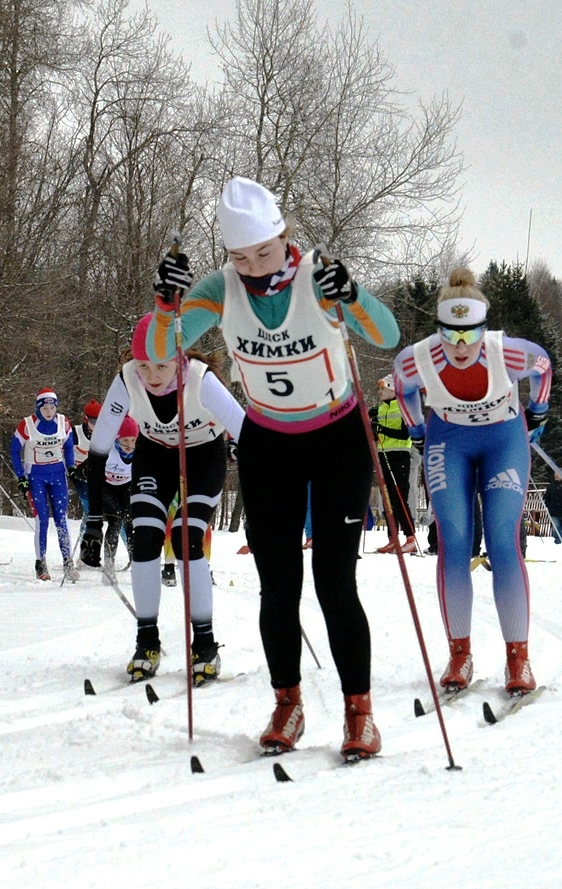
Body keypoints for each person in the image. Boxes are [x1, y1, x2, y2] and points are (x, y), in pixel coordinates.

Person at [143, 176, 399, 760]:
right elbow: (163, 349)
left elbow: (387, 333)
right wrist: (165, 306)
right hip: (268, 445)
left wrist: (353, 294)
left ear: (284, 236)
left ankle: (360, 713)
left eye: (264, 251)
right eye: (240, 256)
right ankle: (288, 703)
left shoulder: (318, 275)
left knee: (336, 583)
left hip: (338, 440)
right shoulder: (220, 287)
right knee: (278, 587)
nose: (255, 267)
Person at [392, 267, 552, 697]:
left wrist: (539, 410)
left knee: (502, 540)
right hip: (450, 442)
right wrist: (417, 431)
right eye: (451, 335)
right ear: (438, 329)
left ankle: (518, 658)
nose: (461, 346)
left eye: (470, 334)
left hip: (503, 440)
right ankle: (459, 653)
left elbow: (543, 364)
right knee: (454, 542)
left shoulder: (507, 352)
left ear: (484, 328)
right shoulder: (417, 358)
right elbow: (403, 385)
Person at [81, 314, 243, 687]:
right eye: (143, 365)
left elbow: (248, 434)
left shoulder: (201, 380)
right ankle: (146, 642)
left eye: (162, 365)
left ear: (180, 358)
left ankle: (204, 645)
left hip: (203, 455)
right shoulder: (126, 381)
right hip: (156, 454)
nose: (152, 375)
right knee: (146, 538)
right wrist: (92, 520)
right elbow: (99, 451)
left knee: (187, 538)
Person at [10, 388, 79, 581]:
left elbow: (68, 446)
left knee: (61, 519)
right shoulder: (27, 424)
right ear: (39, 408)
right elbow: (14, 450)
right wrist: (21, 476)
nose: (49, 411)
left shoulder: (63, 422)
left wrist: (72, 467)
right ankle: (41, 563)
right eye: (45, 407)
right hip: (36, 477)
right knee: (42, 520)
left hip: (57, 474)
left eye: (52, 407)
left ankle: (67, 561)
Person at [370, 374, 417, 554]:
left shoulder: (404, 408)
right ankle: (393, 538)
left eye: (383, 389)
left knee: (399, 498)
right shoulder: (380, 409)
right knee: (387, 499)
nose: (380, 392)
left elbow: (404, 435)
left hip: (400, 456)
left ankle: (410, 537)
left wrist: (381, 429)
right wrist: (374, 431)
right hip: (383, 456)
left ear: (393, 389)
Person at [94, 414, 139, 575]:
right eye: (125, 441)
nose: (129, 445)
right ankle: (109, 564)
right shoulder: (107, 450)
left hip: (126, 487)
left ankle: (137, 562)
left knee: (131, 522)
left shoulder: (140, 453)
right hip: (106, 488)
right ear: (117, 439)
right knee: (115, 520)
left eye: (133, 440)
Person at [71, 399, 103, 517]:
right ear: (86, 419)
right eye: (93, 421)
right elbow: (64, 451)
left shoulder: (105, 435)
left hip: (96, 476)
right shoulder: (76, 432)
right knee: (90, 509)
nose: (97, 425)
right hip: (79, 476)